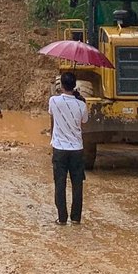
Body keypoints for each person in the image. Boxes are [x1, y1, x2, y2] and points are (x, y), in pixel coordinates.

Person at [49, 71, 89, 225]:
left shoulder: (53, 101)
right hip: (77, 149)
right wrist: (79, 100)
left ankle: (62, 218)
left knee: (60, 183)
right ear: (74, 85)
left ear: (62, 85)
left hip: (59, 149)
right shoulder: (82, 104)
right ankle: (76, 218)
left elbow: (52, 114)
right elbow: (84, 121)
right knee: (77, 184)